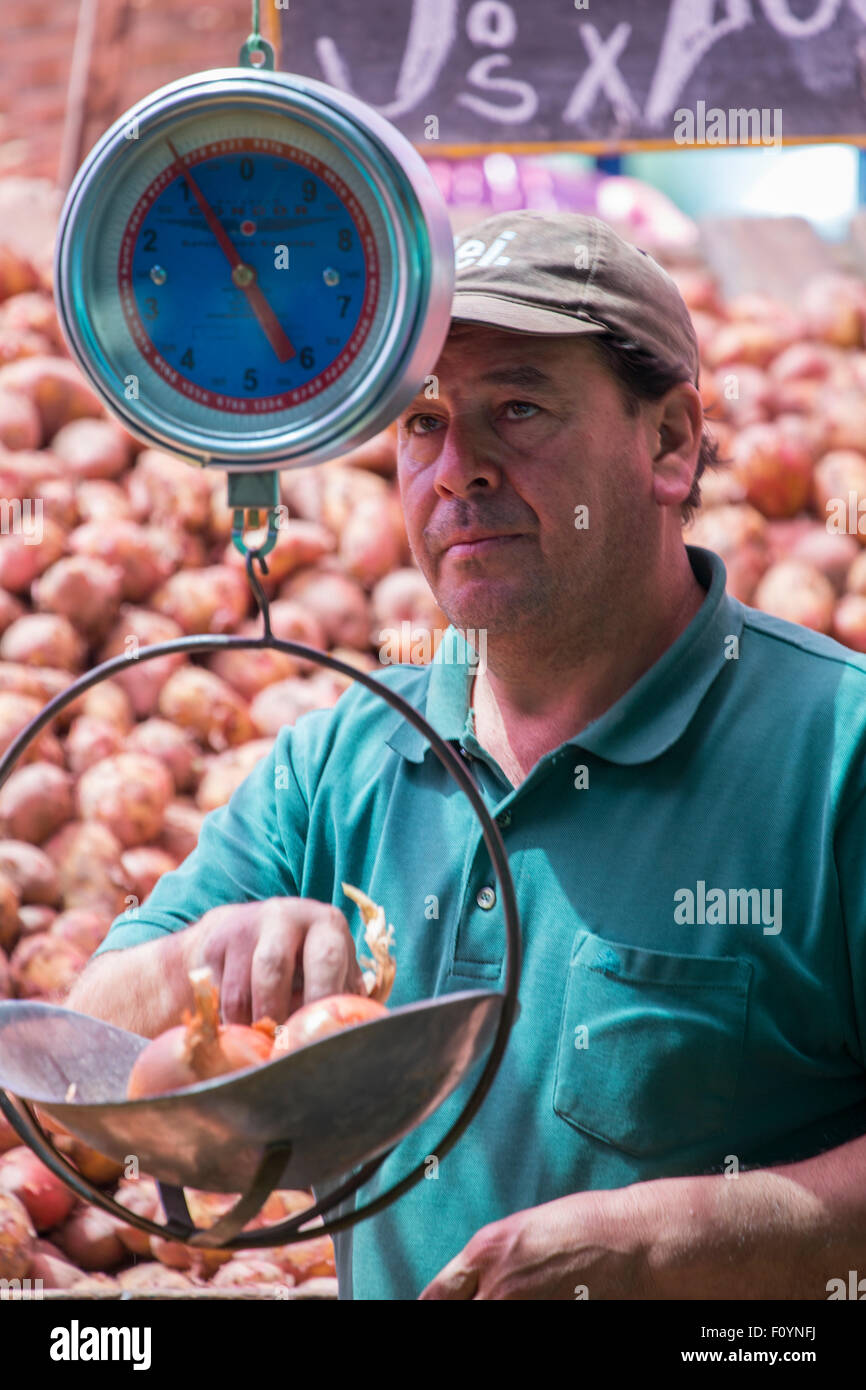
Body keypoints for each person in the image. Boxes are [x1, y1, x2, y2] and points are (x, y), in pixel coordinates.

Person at [67, 210, 866, 1301]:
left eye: (518, 409)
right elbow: (74, 1044)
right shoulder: (338, 758)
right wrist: (196, 963)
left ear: (669, 444)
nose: (456, 471)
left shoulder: (835, 755)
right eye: (420, 422)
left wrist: (672, 1237)